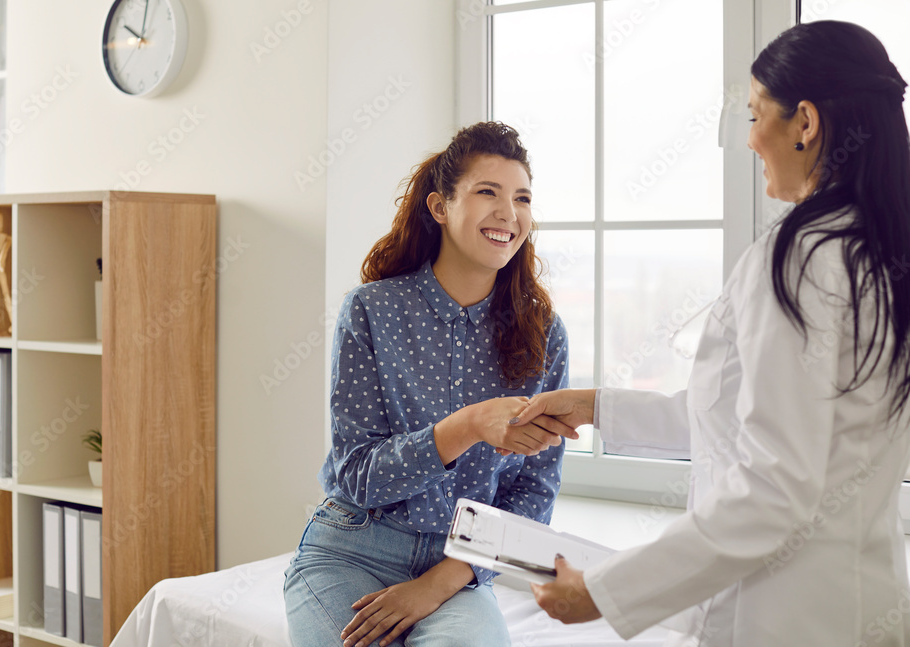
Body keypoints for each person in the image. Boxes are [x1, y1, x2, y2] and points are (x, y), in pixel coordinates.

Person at [513, 21, 910, 646]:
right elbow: (740, 418)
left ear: (804, 123)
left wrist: (603, 591)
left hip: (781, 618)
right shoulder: (881, 252)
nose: (750, 140)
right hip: (865, 600)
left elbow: (773, 484)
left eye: (756, 116)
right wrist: (596, 408)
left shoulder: (797, 258)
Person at [284, 121, 574, 647]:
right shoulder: (371, 309)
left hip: (458, 571)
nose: (509, 213)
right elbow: (356, 476)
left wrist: (435, 586)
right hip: (351, 548)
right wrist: (465, 428)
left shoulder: (543, 334)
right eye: (488, 192)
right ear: (439, 207)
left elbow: (534, 493)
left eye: (523, 198)